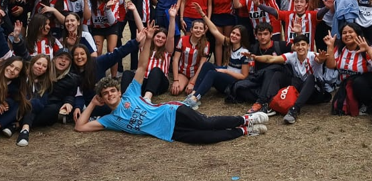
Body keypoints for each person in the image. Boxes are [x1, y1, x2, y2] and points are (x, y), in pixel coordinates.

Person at [74, 27, 269, 144]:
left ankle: (246, 119)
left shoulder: (130, 94)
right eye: (105, 94)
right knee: (204, 138)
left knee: (206, 124)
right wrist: (92, 103)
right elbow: (80, 127)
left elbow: (142, 66)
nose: (110, 95)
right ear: (102, 98)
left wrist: (148, 40)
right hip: (168, 132)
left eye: (112, 91)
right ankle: (245, 130)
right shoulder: (110, 120)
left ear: (118, 91)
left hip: (172, 112)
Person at [246, 35, 329, 124]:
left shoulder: (313, 55)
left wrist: (321, 60)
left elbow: (319, 60)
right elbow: (271, 59)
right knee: (278, 74)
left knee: (311, 78)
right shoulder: (292, 56)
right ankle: (270, 104)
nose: (300, 47)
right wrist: (256, 57)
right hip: (300, 89)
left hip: (315, 91)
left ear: (308, 46)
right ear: (294, 47)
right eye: (297, 45)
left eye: (303, 44)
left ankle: (294, 110)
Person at [182, 2, 250, 109]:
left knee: (212, 73)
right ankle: (194, 92)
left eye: (237, 35)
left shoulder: (245, 53)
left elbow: (244, 76)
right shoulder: (229, 43)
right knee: (207, 65)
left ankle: (195, 99)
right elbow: (214, 30)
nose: (234, 36)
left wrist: (225, 71)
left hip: (234, 83)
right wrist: (202, 14)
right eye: (233, 33)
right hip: (226, 76)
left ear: (242, 37)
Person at [322, 23, 372, 116]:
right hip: (347, 84)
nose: (347, 35)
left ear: (358, 34)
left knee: (358, 81)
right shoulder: (340, 49)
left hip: (368, 84)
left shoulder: (368, 48)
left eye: (351, 32)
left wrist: (368, 50)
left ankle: (369, 104)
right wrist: (330, 46)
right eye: (344, 33)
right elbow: (331, 65)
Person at [245, 23, 292, 115]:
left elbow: (299, 47)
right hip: (263, 81)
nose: (262, 37)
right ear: (256, 35)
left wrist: (298, 34)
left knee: (271, 70)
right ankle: (270, 98)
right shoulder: (254, 48)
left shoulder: (281, 45)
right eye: (260, 34)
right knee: (239, 87)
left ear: (271, 35)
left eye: (265, 34)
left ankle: (260, 102)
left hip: (281, 78)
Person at [88, 0, 121, 76]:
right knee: (97, 51)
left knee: (112, 51)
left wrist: (107, 9)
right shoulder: (90, 0)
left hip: (111, 27)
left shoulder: (113, 0)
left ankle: (114, 76)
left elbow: (111, 21)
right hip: (97, 28)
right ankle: (97, 75)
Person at [171, 19, 210, 96]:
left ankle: (192, 82)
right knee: (176, 90)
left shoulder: (206, 44)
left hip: (195, 73)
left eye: (201, 28)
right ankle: (183, 81)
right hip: (183, 72)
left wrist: (192, 82)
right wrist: (175, 80)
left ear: (204, 31)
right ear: (191, 30)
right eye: (196, 28)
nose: (198, 30)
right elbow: (175, 59)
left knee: (190, 92)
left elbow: (202, 65)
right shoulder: (183, 39)